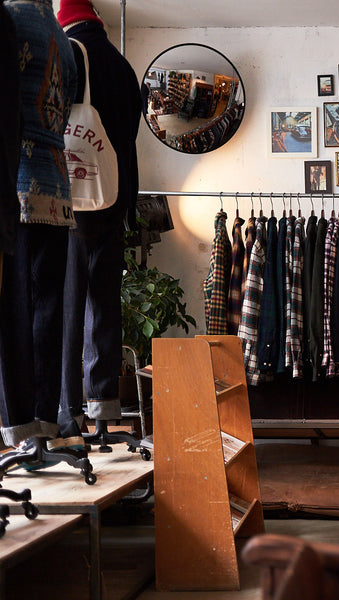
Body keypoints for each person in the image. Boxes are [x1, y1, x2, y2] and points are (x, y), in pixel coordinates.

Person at [56, 0, 143, 447]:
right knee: (104, 304)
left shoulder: (66, 53)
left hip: (72, 200)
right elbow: (128, 137)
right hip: (114, 196)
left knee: (69, 305)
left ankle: (68, 413)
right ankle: (104, 409)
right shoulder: (124, 67)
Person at [1, 0, 78, 454]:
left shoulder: (10, 20)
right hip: (58, 185)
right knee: (48, 313)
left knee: (16, 313)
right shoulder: (64, 41)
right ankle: (46, 422)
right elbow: (64, 113)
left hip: (21, 183)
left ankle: (22, 431)